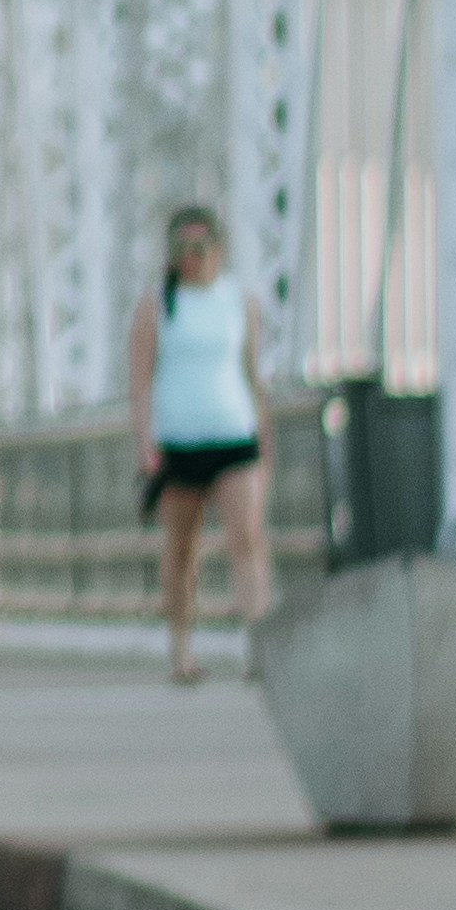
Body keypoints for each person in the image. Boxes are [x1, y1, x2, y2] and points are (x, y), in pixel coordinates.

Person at [130, 205, 274, 688]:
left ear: (218, 249)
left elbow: (253, 376)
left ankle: (259, 645)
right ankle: (181, 651)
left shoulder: (239, 301)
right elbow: (141, 380)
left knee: (246, 540)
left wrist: (265, 439)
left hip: (234, 432)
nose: (190, 257)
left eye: (199, 247)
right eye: (181, 249)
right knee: (182, 549)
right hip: (179, 442)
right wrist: (145, 444)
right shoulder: (157, 305)